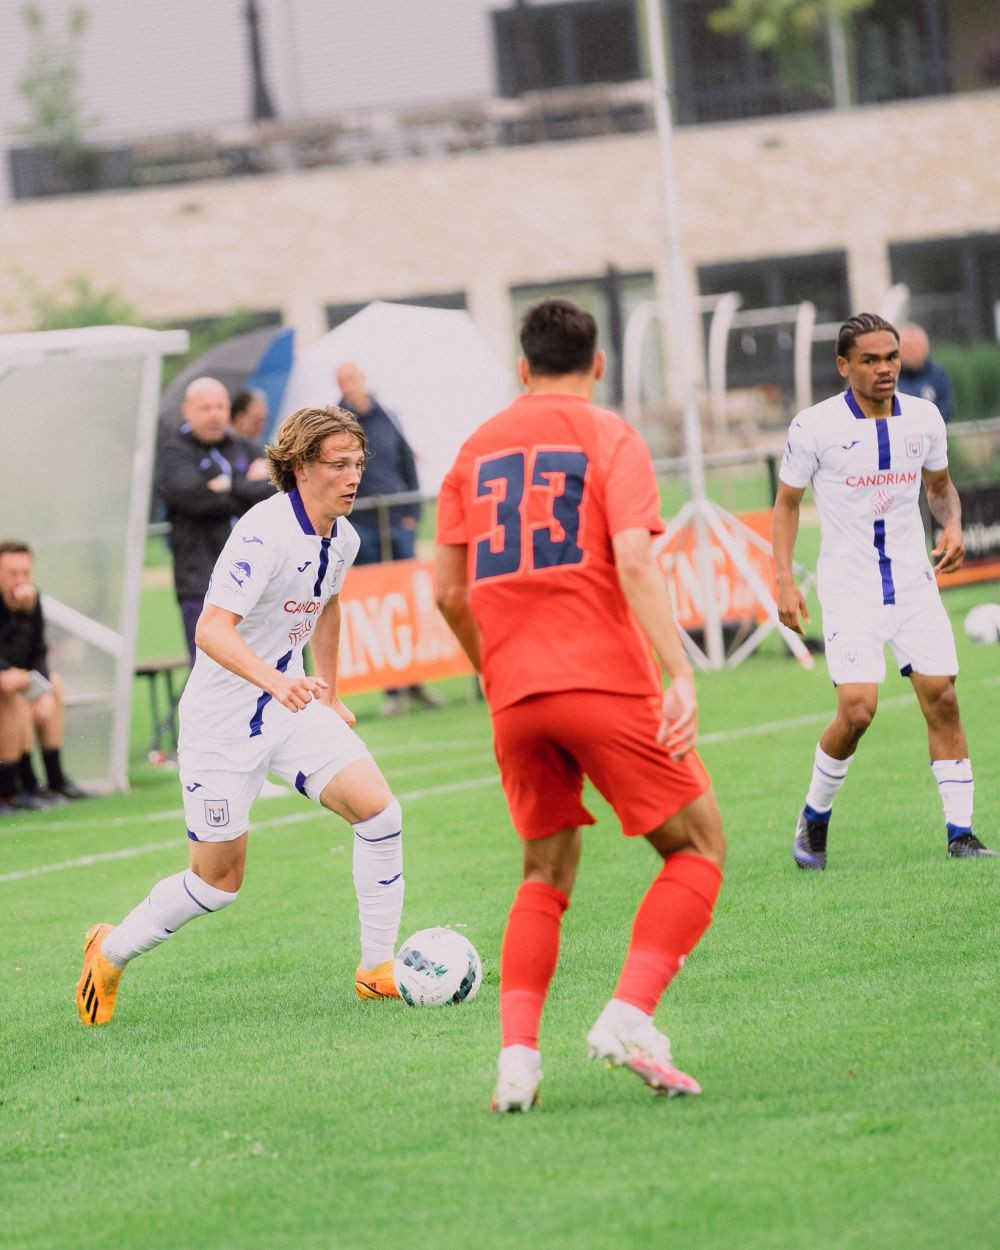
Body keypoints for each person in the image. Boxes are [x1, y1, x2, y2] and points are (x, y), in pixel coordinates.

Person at [434, 298, 726, 1112]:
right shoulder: (609, 434)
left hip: (516, 695)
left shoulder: (474, 449)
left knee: (543, 873)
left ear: (522, 367)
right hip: (602, 679)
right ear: (597, 365)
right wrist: (681, 672)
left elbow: (447, 592)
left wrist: (496, 674)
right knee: (698, 845)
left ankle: (517, 1066)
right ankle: (630, 1017)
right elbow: (633, 559)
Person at [76, 404, 406, 1027]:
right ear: (302, 467)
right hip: (223, 724)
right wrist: (279, 680)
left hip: (292, 706)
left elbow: (328, 602)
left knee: (381, 814)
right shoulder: (263, 531)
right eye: (339, 465)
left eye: (357, 464)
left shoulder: (346, 535)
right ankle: (110, 949)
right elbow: (211, 630)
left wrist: (327, 691)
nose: (352, 476)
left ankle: (376, 969)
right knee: (216, 885)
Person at [772, 312, 994, 868]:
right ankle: (814, 820)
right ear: (844, 365)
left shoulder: (924, 417)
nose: (884, 369)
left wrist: (949, 523)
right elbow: (787, 505)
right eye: (870, 360)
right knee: (857, 710)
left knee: (942, 696)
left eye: (891, 358)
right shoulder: (814, 426)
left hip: (914, 583)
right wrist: (782, 579)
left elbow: (941, 489)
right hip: (850, 588)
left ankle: (961, 833)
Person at [335, 361, 445, 717]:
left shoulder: (389, 416)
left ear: (363, 379)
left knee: (406, 599)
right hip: (363, 523)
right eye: (342, 381)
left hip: (399, 518)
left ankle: (417, 681)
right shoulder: (338, 423)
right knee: (377, 601)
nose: (347, 386)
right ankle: (393, 688)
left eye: (351, 378)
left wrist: (413, 511)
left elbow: (406, 462)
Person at [156, 376, 276, 665]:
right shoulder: (175, 454)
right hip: (201, 582)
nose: (214, 415)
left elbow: (274, 489)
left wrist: (225, 485)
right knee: (214, 670)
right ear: (188, 411)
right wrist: (245, 487)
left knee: (268, 665)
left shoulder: (244, 448)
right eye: (205, 407)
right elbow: (193, 497)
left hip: (255, 578)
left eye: (220, 407)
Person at [0, 540, 88, 813]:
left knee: (54, 685)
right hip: (6, 684)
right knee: (10, 691)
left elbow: (37, 650)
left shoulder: (31, 599)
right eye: (12, 574)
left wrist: (45, 690)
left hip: (15, 680)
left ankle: (54, 780)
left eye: (26, 573)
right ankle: (10, 791)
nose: (21, 580)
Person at [896, 323, 955, 422]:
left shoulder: (938, 375)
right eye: (908, 347)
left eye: (919, 345)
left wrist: (925, 425)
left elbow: (946, 408)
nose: (914, 351)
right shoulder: (890, 375)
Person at [230, 387, 269, 452]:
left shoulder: (259, 449)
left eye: (263, 420)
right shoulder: (219, 448)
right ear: (239, 418)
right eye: (256, 419)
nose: (261, 425)